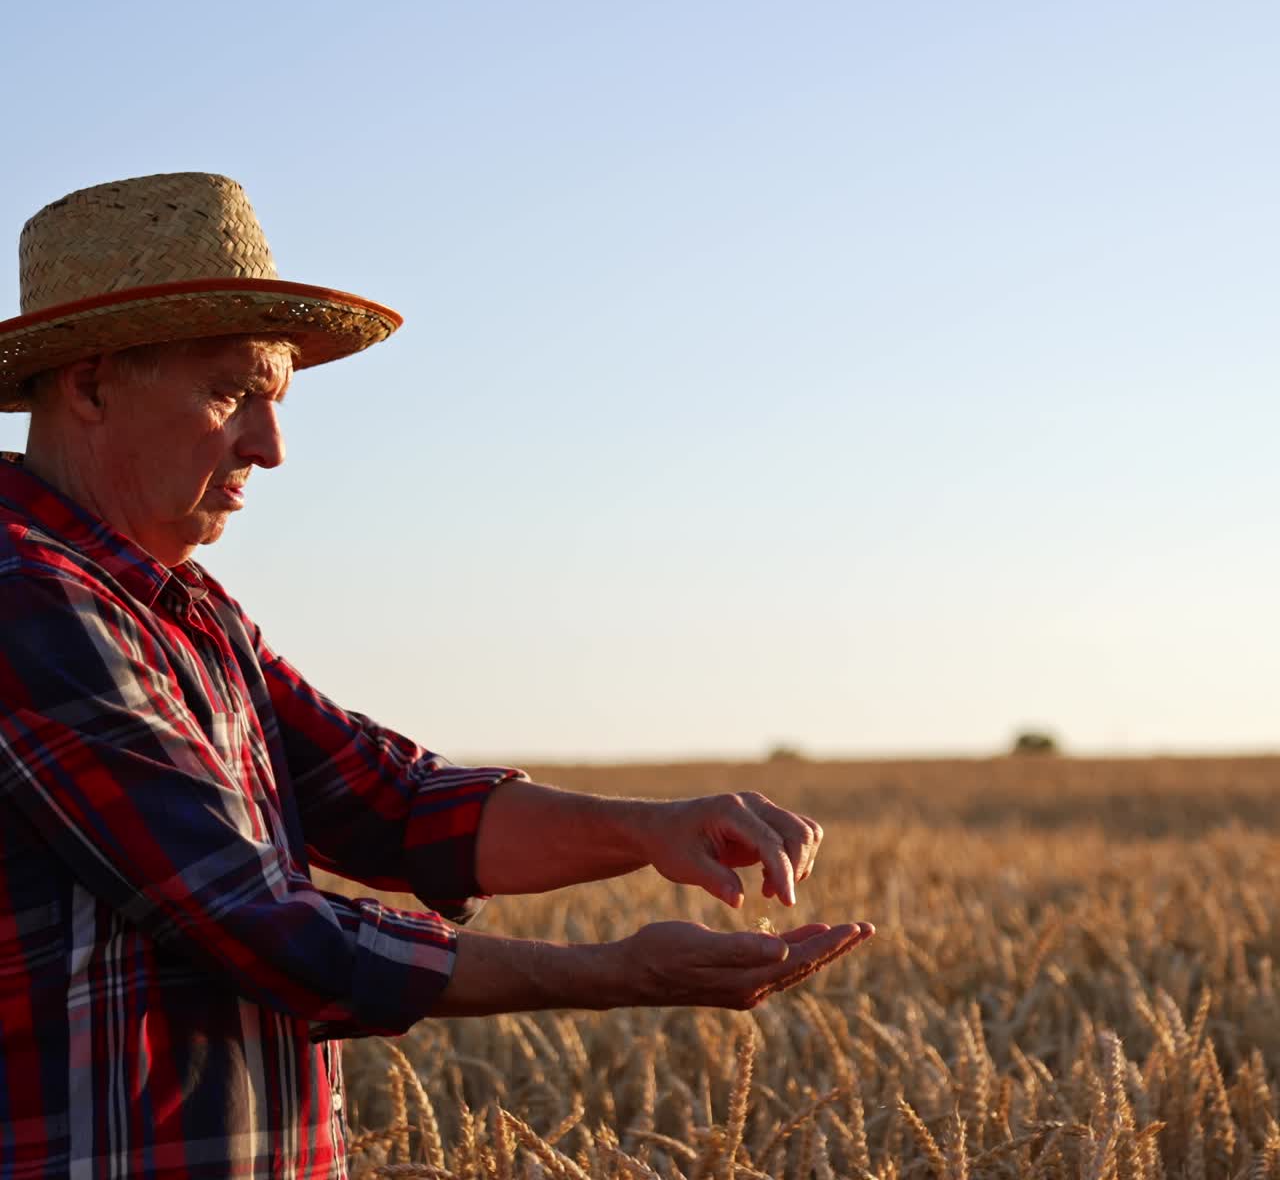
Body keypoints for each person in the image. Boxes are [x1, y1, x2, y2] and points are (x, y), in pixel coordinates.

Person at [0, 173, 874, 1180]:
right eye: (230, 393)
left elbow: (393, 801)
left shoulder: (188, 611)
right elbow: (253, 922)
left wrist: (648, 829)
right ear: (92, 382)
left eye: (274, 403)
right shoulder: (24, 594)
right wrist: (611, 972)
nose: (270, 447)